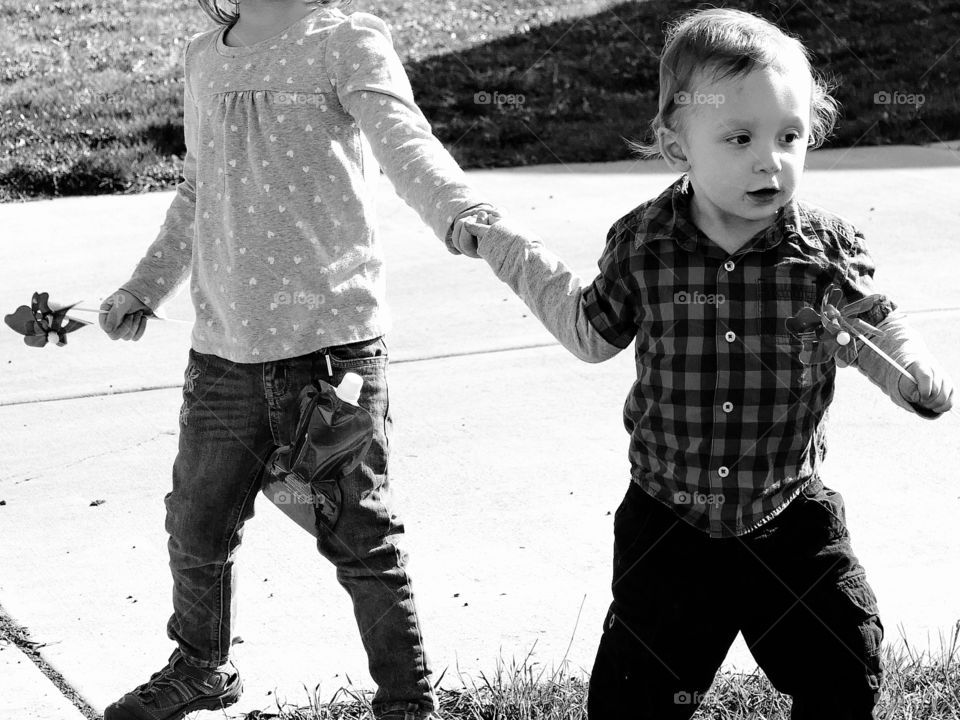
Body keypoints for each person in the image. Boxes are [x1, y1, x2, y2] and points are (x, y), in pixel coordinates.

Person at [456, 8, 954, 719]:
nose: (769, 160)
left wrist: (912, 375)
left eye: (790, 137)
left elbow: (872, 327)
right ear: (675, 144)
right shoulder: (644, 243)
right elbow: (589, 332)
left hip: (788, 513)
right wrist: (509, 250)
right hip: (668, 520)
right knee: (636, 696)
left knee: (844, 664)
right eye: (740, 138)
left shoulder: (822, 251)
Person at [99, 0, 492, 718]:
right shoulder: (204, 55)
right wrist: (143, 285)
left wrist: (458, 210)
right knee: (196, 523)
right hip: (224, 355)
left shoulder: (345, 40)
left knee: (362, 538)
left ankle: (408, 704)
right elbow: (197, 188)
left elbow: (406, 143)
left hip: (330, 354)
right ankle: (200, 667)